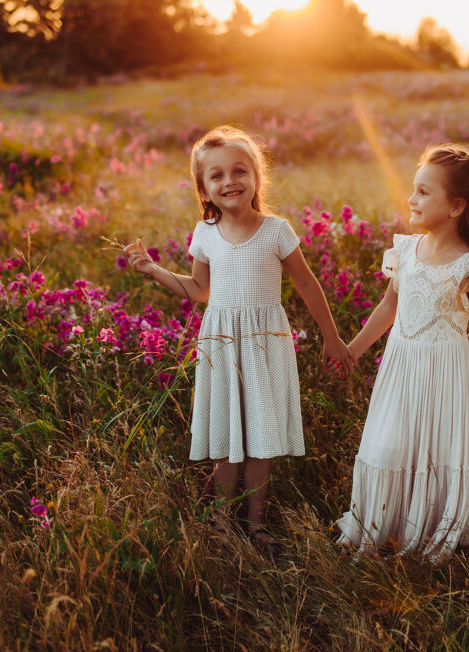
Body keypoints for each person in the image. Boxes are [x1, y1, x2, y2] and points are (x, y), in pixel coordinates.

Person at [124, 125, 353, 552]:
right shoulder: (205, 234)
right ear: (204, 188)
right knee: (228, 436)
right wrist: (153, 270)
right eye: (217, 176)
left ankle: (256, 524)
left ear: (256, 178)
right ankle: (222, 522)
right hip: (222, 342)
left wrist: (332, 338)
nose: (229, 181)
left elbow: (306, 284)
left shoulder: (275, 231)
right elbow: (198, 291)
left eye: (239, 171)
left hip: (266, 341)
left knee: (260, 435)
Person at [336, 144, 469, 562]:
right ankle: (384, 524)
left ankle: (431, 525)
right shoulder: (406, 252)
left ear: (455, 206)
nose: (412, 199)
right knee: (389, 444)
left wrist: (457, 357)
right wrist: (353, 350)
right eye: (414, 189)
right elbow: (389, 307)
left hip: (446, 369)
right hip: (401, 363)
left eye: (424, 192)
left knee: (436, 448)